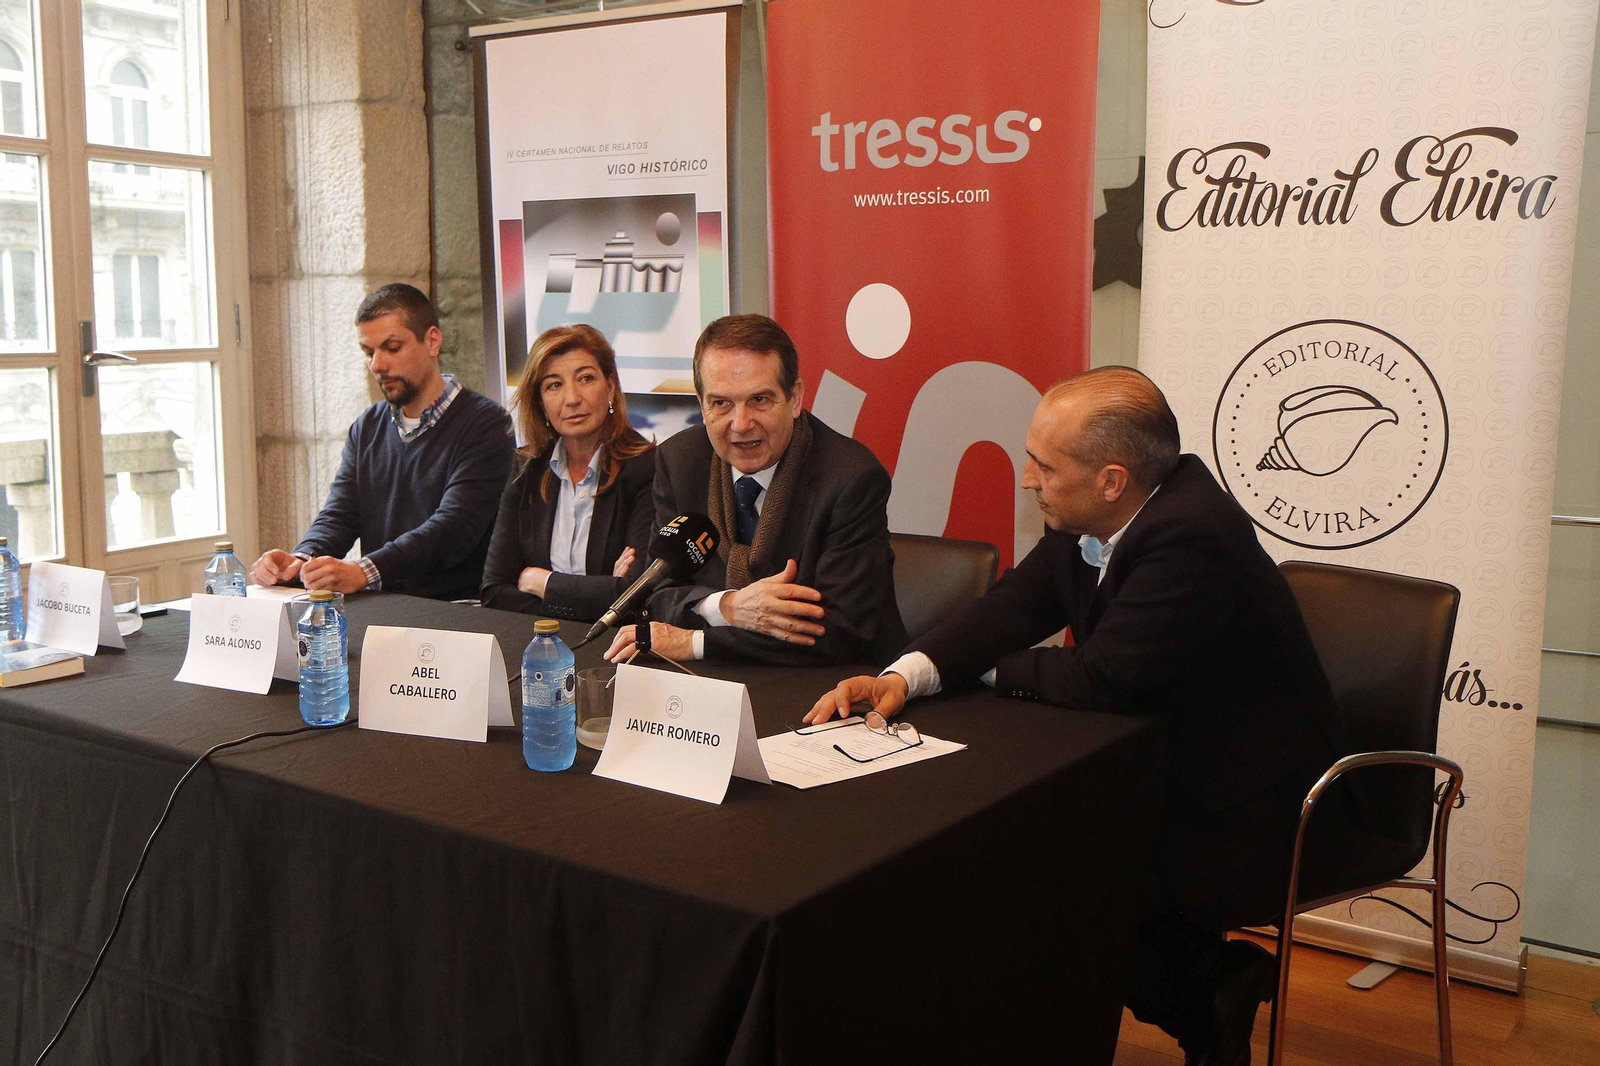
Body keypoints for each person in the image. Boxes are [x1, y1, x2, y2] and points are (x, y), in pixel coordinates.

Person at [805, 367, 1353, 1066]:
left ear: (1112, 481)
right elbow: (1012, 607)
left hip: (1256, 803)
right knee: (1021, 861)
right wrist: (904, 676)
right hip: (1165, 762)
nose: (1027, 478)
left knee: (1044, 878)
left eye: (1043, 465)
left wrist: (984, 674)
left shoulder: (1193, 533)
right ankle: (1204, 986)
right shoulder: (1098, 513)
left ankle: (1203, 991)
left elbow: (1106, 676)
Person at [603, 314, 907, 666]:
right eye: (721, 403)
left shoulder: (851, 479)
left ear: (794, 398)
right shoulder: (680, 461)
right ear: (701, 404)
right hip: (713, 686)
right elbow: (653, 592)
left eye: (760, 400)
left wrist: (698, 641)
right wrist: (727, 607)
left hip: (834, 685)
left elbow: (839, 630)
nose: (741, 424)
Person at [249, 284, 514, 602]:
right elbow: (340, 515)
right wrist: (301, 561)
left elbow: (453, 529)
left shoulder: (486, 423)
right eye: (369, 352)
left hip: (455, 611)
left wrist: (364, 571)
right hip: (382, 607)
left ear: (432, 341)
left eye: (391, 347)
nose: (377, 365)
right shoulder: (368, 426)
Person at [479, 325, 656, 621]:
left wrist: (542, 583)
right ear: (540, 401)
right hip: (538, 643)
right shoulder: (527, 467)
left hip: (612, 650)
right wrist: (598, 592)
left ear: (610, 387)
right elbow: (495, 591)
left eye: (585, 379)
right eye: (554, 385)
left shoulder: (646, 468)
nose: (571, 398)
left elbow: (636, 597)